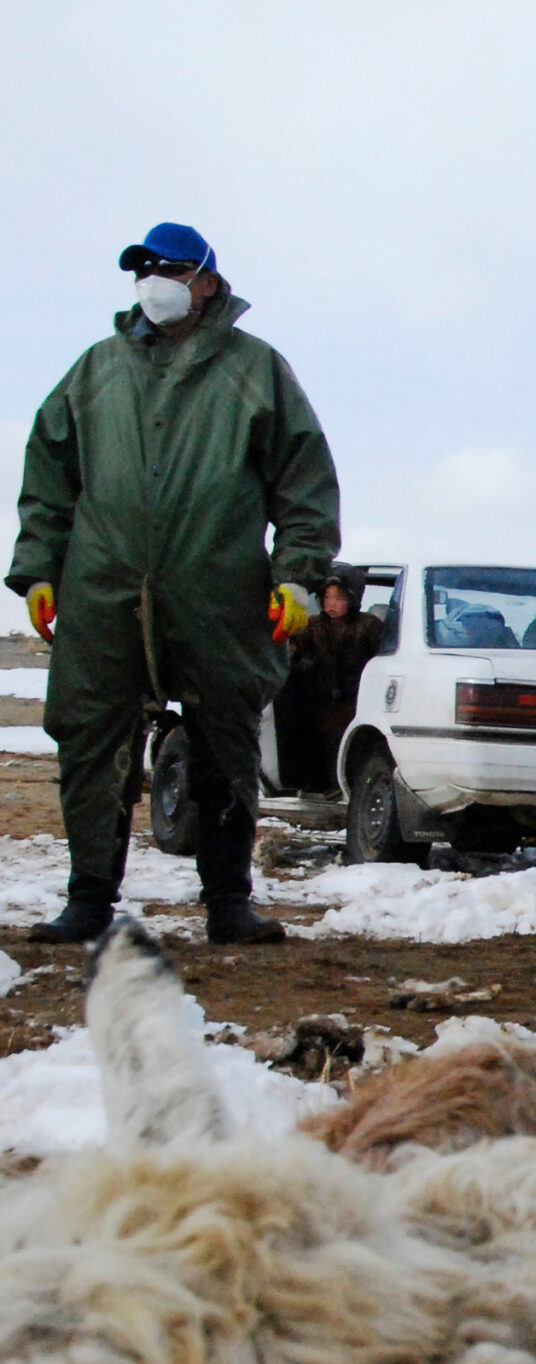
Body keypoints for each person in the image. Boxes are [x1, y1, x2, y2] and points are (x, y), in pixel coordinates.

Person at [8, 222, 339, 943]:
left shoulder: (256, 371)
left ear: (209, 283)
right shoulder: (97, 370)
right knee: (92, 740)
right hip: (102, 590)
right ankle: (89, 899)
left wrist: (298, 577)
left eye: (172, 269)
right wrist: (39, 567)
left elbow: (304, 483)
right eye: (143, 269)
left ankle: (228, 902)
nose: (153, 281)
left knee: (225, 740)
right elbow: (49, 475)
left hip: (220, 590)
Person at [279, 565, 385, 794]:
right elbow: (292, 646)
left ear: (353, 599)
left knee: (352, 749)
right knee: (322, 748)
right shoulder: (314, 626)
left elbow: (381, 659)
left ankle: (349, 790)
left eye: (339, 598)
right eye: (327, 597)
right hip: (323, 704)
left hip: (357, 703)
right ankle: (323, 788)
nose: (331, 604)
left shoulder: (369, 626)